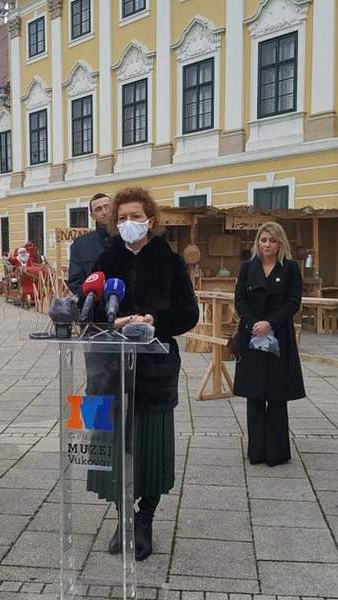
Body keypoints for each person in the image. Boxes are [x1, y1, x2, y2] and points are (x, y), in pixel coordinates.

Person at [88, 187, 199, 561]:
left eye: (135, 216)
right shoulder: (105, 260)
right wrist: (114, 321)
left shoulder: (170, 262)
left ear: (150, 220)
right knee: (112, 449)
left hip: (154, 373)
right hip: (109, 371)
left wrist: (156, 321)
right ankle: (123, 518)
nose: (128, 223)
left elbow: (188, 314)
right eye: (121, 218)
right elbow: (89, 311)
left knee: (151, 450)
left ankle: (145, 519)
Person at [233, 222, 305, 466]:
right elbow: (240, 299)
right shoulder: (247, 267)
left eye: (272, 240)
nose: (267, 245)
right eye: (263, 240)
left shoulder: (291, 268)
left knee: (276, 394)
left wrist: (270, 323)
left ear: (280, 243)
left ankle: (276, 452)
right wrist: (253, 323)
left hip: (279, 336)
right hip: (252, 335)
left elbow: (294, 301)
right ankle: (256, 451)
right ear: (258, 242)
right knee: (254, 394)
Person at [67, 192, 112, 297]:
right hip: (94, 303)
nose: (104, 212)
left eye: (107, 207)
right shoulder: (80, 245)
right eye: (98, 209)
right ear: (92, 215)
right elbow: (75, 282)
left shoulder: (127, 238)